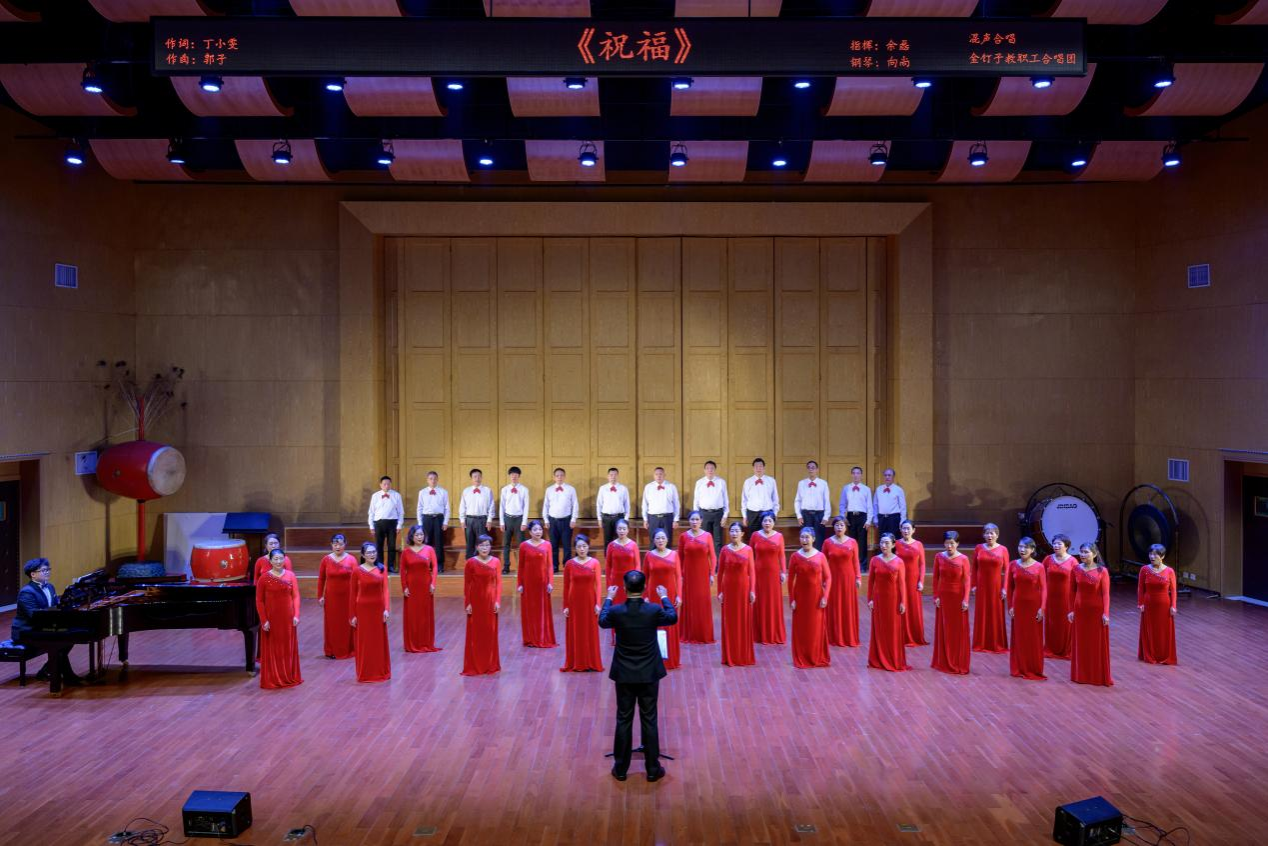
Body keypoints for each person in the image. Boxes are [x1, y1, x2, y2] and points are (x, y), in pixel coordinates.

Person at [599, 571, 678, 783]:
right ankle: (652, 769)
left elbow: (602, 621)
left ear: (624, 588)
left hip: (624, 673)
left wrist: (608, 598)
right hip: (649, 673)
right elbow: (672, 617)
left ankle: (621, 769)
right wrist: (664, 596)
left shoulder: (616, 611)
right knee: (649, 718)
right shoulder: (653, 610)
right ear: (644, 588)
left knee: (623, 718)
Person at [11, 558, 82, 686]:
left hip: (41, 626)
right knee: (60, 641)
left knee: (69, 638)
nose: (47, 572)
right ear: (33, 574)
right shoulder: (27, 592)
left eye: (48, 569)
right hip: (26, 631)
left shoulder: (50, 587)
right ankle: (67, 676)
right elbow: (34, 616)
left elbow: (55, 607)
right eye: (44, 570)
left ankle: (47, 670)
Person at [256, 548, 302, 689]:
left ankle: (288, 675)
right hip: (272, 618)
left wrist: (296, 615)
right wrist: (264, 620)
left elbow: (296, 596)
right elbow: (259, 601)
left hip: (287, 618)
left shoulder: (290, 575)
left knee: (287, 647)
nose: (278, 561)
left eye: (281, 558)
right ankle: (274, 677)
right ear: (270, 561)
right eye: (275, 559)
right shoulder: (264, 578)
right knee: (273, 647)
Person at [1068, 542, 1112, 686]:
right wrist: (1071, 610)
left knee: (1095, 643)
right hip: (1080, 610)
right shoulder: (1075, 569)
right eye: (1081, 551)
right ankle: (1081, 674)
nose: (1083, 554)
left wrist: (1106, 613)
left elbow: (1105, 594)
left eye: (1086, 552)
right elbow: (1072, 591)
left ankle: (1096, 674)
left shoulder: (1102, 571)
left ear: (1094, 554)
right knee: (1081, 643)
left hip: (1096, 611)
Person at [788, 526, 832, 668]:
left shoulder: (820, 556)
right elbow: (790, 580)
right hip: (800, 598)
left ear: (813, 539)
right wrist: (792, 599)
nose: (804, 540)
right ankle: (802, 656)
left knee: (815, 628)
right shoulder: (795, 557)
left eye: (807, 537)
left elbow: (828, 578)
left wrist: (825, 596)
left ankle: (815, 655)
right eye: (802, 537)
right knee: (801, 628)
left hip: (816, 598)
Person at [867, 533, 910, 672]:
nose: (884, 545)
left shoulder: (899, 561)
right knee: (879, 628)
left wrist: (903, 602)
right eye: (882, 542)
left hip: (894, 600)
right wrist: (870, 599)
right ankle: (878, 658)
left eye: (887, 543)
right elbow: (870, 582)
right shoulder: (874, 560)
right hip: (879, 599)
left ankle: (893, 658)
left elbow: (902, 583)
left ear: (893, 544)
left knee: (893, 629)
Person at [1006, 537, 1047, 681]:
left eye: (1026, 547)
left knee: (1033, 638)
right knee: (1019, 637)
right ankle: (1019, 667)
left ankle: (1033, 667)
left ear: (1032, 550)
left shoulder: (1039, 566)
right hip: (1018, 606)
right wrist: (1010, 606)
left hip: (1034, 606)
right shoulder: (1013, 565)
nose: (1022, 550)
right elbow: (1009, 588)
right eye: (1020, 547)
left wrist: (1042, 608)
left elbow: (1044, 589)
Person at [931, 531, 971, 675]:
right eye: (947, 543)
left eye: (952, 543)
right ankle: (942, 659)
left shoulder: (964, 559)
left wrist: (966, 599)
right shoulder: (939, 557)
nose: (949, 546)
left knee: (957, 630)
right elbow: (935, 578)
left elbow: (967, 581)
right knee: (944, 628)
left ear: (957, 544)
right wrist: (936, 596)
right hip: (943, 597)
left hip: (958, 598)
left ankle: (957, 660)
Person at [350, 542, 391, 683]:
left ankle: (379, 670)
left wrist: (386, 609)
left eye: (374, 552)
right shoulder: (357, 571)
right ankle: (366, 672)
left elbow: (385, 590)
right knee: (365, 642)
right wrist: (352, 615)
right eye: (368, 552)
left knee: (377, 641)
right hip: (363, 610)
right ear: (363, 555)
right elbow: (353, 594)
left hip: (378, 610)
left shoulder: (382, 569)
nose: (372, 555)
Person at [561, 535, 603, 672]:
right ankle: (576, 661)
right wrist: (565, 606)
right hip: (574, 602)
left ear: (588, 547)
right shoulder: (569, 564)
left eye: (584, 546)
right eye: (579, 546)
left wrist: (598, 603)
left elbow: (599, 584)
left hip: (589, 602)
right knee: (575, 630)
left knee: (590, 631)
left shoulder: (595, 563)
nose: (582, 549)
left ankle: (590, 661)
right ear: (575, 548)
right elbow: (566, 586)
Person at [717, 522, 756, 667]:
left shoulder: (748, 550)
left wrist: (752, 590)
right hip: (728, 590)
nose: (734, 533)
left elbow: (752, 572)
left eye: (736, 531)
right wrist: (720, 591)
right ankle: (730, 654)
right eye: (732, 531)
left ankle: (743, 654)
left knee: (743, 620)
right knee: (729, 621)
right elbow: (720, 573)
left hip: (743, 590)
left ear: (742, 534)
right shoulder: (724, 550)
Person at [642, 529, 682, 670]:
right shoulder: (649, 555)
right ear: (653, 540)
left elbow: (678, 577)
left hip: (669, 594)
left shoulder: (674, 555)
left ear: (667, 540)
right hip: (653, 595)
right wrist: (645, 596)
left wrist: (679, 595)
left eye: (663, 538)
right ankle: (654, 659)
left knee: (670, 624)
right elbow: (645, 578)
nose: (660, 540)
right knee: (655, 625)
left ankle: (670, 658)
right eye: (658, 538)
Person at [462, 534, 501, 676]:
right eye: (482, 545)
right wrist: (467, 603)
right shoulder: (470, 563)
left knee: (490, 632)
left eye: (487, 545)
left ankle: (490, 663)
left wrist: (497, 601)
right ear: (476, 547)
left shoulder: (496, 561)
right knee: (476, 633)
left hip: (490, 601)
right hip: (476, 602)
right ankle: (476, 663)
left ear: (490, 547)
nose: (485, 548)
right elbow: (467, 584)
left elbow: (498, 583)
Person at [676, 510, 718, 644]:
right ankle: (689, 633)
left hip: (702, 574)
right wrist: (680, 575)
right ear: (689, 521)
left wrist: (712, 574)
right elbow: (679, 558)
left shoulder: (707, 536)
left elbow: (713, 557)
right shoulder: (683, 536)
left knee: (702, 602)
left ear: (701, 521)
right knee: (689, 602)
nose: (694, 522)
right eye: (692, 519)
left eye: (697, 519)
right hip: (688, 575)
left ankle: (703, 633)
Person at [517, 520, 557, 649]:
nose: (538, 532)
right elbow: (521, 566)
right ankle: (530, 638)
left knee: (542, 610)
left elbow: (550, 565)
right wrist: (520, 584)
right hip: (528, 583)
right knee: (530, 610)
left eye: (540, 529)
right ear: (530, 532)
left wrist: (550, 582)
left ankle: (542, 637)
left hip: (543, 583)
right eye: (535, 530)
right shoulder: (523, 546)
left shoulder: (547, 545)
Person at [401, 525, 441, 654]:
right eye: (417, 535)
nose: (419, 537)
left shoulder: (429, 549)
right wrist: (404, 587)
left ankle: (425, 642)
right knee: (412, 615)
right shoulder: (406, 552)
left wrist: (433, 583)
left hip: (425, 586)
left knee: (424, 614)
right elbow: (402, 571)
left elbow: (435, 567)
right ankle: (413, 643)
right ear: (411, 536)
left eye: (421, 534)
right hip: (411, 587)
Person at [823, 516, 861, 648]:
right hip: (833, 579)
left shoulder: (852, 542)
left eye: (842, 525)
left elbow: (856, 561)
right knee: (834, 605)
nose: (839, 527)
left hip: (848, 579)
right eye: (837, 525)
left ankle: (848, 635)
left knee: (847, 606)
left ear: (846, 527)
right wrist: (823, 579)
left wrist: (858, 577)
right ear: (833, 527)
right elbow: (823, 562)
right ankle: (833, 635)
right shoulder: (827, 542)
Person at [316, 533, 356, 659]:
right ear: (331, 545)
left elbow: (357, 579)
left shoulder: (352, 559)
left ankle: (348, 648)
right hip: (331, 598)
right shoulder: (326, 560)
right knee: (332, 623)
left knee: (347, 622)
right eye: (335, 544)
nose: (338, 547)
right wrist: (320, 596)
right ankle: (331, 649)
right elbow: (321, 579)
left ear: (345, 544)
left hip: (348, 597)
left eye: (340, 544)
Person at [1137, 544, 1178, 665]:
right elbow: (1140, 588)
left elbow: (1173, 590)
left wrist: (1173, 606)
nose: (1152, 557)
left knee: (1163, 631)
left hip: (1164, 605)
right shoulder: (1144, 569)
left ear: (1162, 556)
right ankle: (1150, 654)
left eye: (1155, 555)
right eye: (1150, 554)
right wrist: (1140, 603)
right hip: (1149, 604)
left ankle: (1164, 655)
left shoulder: (1169, 571)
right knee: (1150, 629)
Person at [971, 523, 1009, 653]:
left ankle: (996, 643)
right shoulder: (978, 548)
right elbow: (974, 568)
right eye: (987, 533)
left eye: (992, 533)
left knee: (995, 613)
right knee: (982, 613)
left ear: (997, 535)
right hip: (982, 586)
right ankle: (981, 643)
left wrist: (1005, 588)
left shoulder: (1003, 549)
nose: (989, 536)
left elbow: (1007, 571)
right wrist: (974, 585)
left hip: (996, 587)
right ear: (983, 535)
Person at [750, 511, 786, 644]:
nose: (767, 523)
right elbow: (750, 554)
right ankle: (759, 633)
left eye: (770, 521)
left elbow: (781, 555)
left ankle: (773, 632)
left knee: (772, 602)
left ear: (774, 523)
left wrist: (783, 571)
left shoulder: (779, 536)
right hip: (758, 573)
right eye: (765, 521)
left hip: (773, 574)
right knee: (760, 601)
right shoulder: (755, 535)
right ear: (761, 522)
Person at [1042, 534, 1076, 659]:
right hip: (1050, 597)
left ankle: (1066, 649)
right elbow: (1040, 576)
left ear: (1066, 546)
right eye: (1054, 543)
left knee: (1065, 623)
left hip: (1066, 597)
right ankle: (1051, 648)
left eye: (1059, 544)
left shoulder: (1073, 561)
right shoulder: (1048, 559)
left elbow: (1077, 581)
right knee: (1051, 622)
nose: (1056, 546)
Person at [895, 520, 928, 647]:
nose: (906, 531)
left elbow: (922, 564)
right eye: (904, 528)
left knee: (913, 607)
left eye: (908, 528)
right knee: (900, 605)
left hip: (913, 580)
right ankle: (900, 635)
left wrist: (921, 581)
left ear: (913, 530)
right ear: (900, 529)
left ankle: (914, 636)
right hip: (899, 580)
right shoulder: (896, 544)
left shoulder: (918, 544)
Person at [543, 467, 579, 574]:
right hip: (553, 521)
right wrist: (546, 519)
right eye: (557, 475)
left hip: (566, 520)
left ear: (565, 476)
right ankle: (554, 566)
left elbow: (575, 504)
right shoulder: (549, 490)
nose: (559, 477)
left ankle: (567, 565)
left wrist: (573, 519)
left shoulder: (571, 489)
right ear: (554, 477)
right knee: (553, 545)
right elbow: (546, 505)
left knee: (567, 545)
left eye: (561, 475)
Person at [838, 466, 874, 572]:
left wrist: (868, 520)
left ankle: (862, 565)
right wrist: (843, 517)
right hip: (850, 517)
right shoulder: (846, 488)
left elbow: (869, 506)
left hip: (862, 516)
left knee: (862, 542)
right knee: (851, 541)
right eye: (853, 473)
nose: (855, 475)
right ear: (851, 475)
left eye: (858, 473)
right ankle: (852, 564)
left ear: (861, 475)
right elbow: (842, 504)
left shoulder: (866, 489)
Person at [368, 475, 405, 573]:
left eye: (388, 484)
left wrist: (399, 525)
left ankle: (391, 566)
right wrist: (371, 526)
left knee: (391, 546)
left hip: (392, 523)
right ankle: (379, 565)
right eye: (384, 484)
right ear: (380, 485)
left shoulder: (396, 495)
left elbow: (401, 512)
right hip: (379, 523)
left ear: (391, 484)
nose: (386, 486)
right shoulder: (375, 496)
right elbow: (371, 512)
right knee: (379, 546)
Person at [416, 470, 450, 573]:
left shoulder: (443, 492)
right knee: (427, 542)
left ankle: (439, 564)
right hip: (426, 519)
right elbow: (419, 508)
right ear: (427, 480)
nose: (433, 481)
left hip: (439, 518)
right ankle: (427, 563)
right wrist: (420, 523)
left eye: (435, 479)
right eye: (431, 479)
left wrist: (445, 522)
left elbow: (447, 508)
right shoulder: (422, 492)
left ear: (437, 479)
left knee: (439, 542)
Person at [794, 460, 832, 550]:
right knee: (806, 538)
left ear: (817, 469)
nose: (811, 469)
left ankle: (818, 557)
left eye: (813, 467)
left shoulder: (823, 483)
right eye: (809, 467)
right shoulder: (801, 483)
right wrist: (799, 516)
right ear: (807, 469)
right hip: (806, 515)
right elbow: (797, 500)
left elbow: (826, 500)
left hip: (819, 515)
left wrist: (826, 516)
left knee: (819, 539)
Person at [692, 460, 729, 552]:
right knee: (704, 539)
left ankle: (717, 560)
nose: (710, 470)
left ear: (715, 470)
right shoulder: (699, 482)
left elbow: (726, 499)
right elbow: (696, 500)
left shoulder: (721, 482)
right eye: (707, 468)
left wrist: (725, 515)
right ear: (704, 470)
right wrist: (696, 516)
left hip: (718, 513)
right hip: (704, 514)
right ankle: (704, 559)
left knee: (718, 539)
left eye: (712, 468)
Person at [499, 466, 530, 575]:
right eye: (512, 474)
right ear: (509, 476)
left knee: (521, 545)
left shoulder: (524, 489)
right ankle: (506, 566)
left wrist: (524, 522)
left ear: (519, 476)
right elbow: (502, 506)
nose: (514, 476)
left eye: (516, 474)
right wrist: (502, 522)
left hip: (519, 519)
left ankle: (522, 566)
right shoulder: (504, 489)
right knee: (506, 544)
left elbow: (526, 506)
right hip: (507, 519)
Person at [458, 468, 494, 561]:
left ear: (481, 478)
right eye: (475, 476)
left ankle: (483, 562)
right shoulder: (466, 491)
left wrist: (489, 520)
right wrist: (462, 520)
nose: (477, 478)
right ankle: (469, 562)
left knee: (483, 543)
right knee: (469, 543)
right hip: (469, 520)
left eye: (479, 476)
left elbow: (491, 506)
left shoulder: (487, 490)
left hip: (482, 520)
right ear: (471, 478)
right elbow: (462, 506)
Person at [604, 519, 640, 606]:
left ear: (628, 530)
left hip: (630, 581)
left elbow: (637, 564)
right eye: (619, 529)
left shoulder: (633, 545)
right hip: (616, 581)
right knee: (616, 606)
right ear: (616, 530)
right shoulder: (611, 545)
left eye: (624, 529)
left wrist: (636, 582)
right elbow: (608, 566)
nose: (622, 531)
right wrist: (609, 585)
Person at [741, 457, 780, 535]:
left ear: (764, 468)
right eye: (756, 466)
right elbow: (744, 500)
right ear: (753, 468)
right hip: (752, 513)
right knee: (753, 535)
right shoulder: (748, 482)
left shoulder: (771, 481)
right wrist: (744, 516)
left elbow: (775, 498)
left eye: (760, 466)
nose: (758, 468)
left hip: (767, 512)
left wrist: (775, 513)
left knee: (767, 536)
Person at [641, 467, 680, 545]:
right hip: (653, 518)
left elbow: (676, 504)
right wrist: (645, 519)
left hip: (667, 517)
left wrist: (676, 519)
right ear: (654, 476)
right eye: (656, 474)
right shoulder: (648, 487)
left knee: (667, 541)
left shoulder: (671, 486)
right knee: (653, 541)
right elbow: (644, 504)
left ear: (664, 475)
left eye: (661, 474)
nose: (659, 476)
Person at [596, 468, 631, 550]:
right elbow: (599, 504)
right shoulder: (602, 488)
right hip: (606, 518)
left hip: (619, 517)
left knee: (619, 540)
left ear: (618, 476)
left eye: (615, 475)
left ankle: (619, 557)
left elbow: (627, 504)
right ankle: (608, 557)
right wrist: (599, 518)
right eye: (611, 475)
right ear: (608, 476)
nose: (613, 477)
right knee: (607, 540)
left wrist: (626, 519)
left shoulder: (623, 488)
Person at [873, 468, 906, 540]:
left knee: (894, 538)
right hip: (881, 518)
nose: (887, 477)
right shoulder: (879, 489)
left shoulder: (898, 489)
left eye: (889, 475)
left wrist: (902, 520)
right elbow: (875, 505)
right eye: (885, 475)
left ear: (893, 477)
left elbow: (902, 506)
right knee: (882, 538)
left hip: (894, 518)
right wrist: (875, 518)